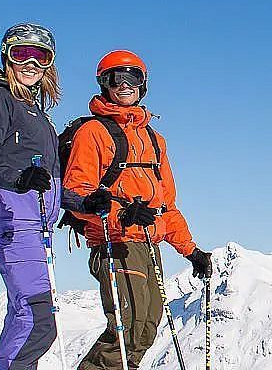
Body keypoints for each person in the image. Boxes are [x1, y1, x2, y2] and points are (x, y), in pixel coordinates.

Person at [65, 49, 213, 370]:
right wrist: (121, 213)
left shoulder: (155, 139)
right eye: (116, 78)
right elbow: (77, 192)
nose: (125, 85)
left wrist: (191, 252)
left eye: (133, 78)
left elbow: (166, 205)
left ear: (143, 84)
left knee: (146, 329)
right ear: (105, 84)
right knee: (127, 329)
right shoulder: (93, 133)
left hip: (149, 244)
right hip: (115, 242)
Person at [0, 22, 63, 370]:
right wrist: (19, 178)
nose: (30, 63)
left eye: (40, 56)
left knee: (26, 317)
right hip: (10, 217)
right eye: (22, 53)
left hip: (32, 222)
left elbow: (45, 181)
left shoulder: (38, 115)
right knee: (37, 321)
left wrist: (83, 203)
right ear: (7, 55)